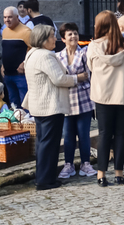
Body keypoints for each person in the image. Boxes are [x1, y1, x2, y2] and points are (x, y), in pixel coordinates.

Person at [87, 11, 124, 186]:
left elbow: (90, 67)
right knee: (121, 134)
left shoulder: (93, 46)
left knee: (104, 134)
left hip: (103, 96)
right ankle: (119, 173)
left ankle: (101, 175)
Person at [23, 25, 83, 191]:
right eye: (51, 36)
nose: (55, 39)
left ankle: (43, 177)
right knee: (49, 144)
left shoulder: (31, 53)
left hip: (39, 104)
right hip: (49, 105)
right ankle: (45, 180)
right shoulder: (45, 56)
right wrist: (77, 79)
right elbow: (58, 79)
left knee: (43, 143)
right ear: (42, 39)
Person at [56, 22, 96, 179]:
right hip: (66, 100)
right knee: (68, 134)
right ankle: (68, 164)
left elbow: (89, 76)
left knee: (84, 133)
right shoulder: (58, 56)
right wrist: (76, 78)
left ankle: (86, 163)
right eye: (69, 34)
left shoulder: (84, 53)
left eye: (75, 33)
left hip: (84, 99)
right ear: (63, 39)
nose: (73, 36)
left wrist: (71, 79)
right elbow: (59, 79)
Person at [0, 6, 32, 108]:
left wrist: (24, 63)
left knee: (25, 105)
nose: (7, 20)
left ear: (17, 17)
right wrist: (3, 65)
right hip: (8, 75)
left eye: (10, 17)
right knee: (14, 106)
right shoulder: (5, 31)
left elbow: (34, 49)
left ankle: (27, 124)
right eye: (5, 17)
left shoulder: (26, 31)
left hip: (21, 76)